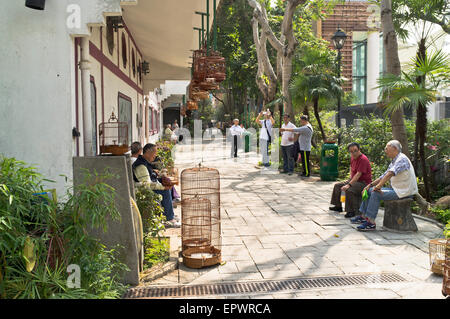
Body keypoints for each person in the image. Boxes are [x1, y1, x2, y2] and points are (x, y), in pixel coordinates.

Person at [351, 140, 418, 231]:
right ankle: (363, 216)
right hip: (397, 190)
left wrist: (378, 187)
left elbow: (390, 174)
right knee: (369, 190)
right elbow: (383, 176)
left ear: (394, 148)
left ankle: (371, 222)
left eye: (387, 148)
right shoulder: (395, 160)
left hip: (404, 192)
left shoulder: (402, 159)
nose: (385, 150)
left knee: (375, 193)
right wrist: (369, 186)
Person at [132, 143, 181, 227]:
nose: (155, 155)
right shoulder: (141, 165)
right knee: (165, 191)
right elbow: (147, 184)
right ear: (147, 152)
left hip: (146, 186)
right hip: (142, 189)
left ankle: (170, 214)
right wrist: (163, 187)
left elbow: (151, 178)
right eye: (154, 152)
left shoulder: (145, 162)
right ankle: (169, 219)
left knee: (165, 182)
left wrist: (161, 179)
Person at [329, 142, 372, 218]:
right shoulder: (352, 157)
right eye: (351, 151)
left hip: (363, 183)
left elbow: (358, 174)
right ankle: (338, 206)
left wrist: (349, 184)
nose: (353, 153)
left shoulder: (363, 159)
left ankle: (351, 211)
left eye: (355, 150)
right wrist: (349, 179)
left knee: (349, 189)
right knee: (337, 185)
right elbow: (352, 169)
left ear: (359, 150)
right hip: (354, 180)